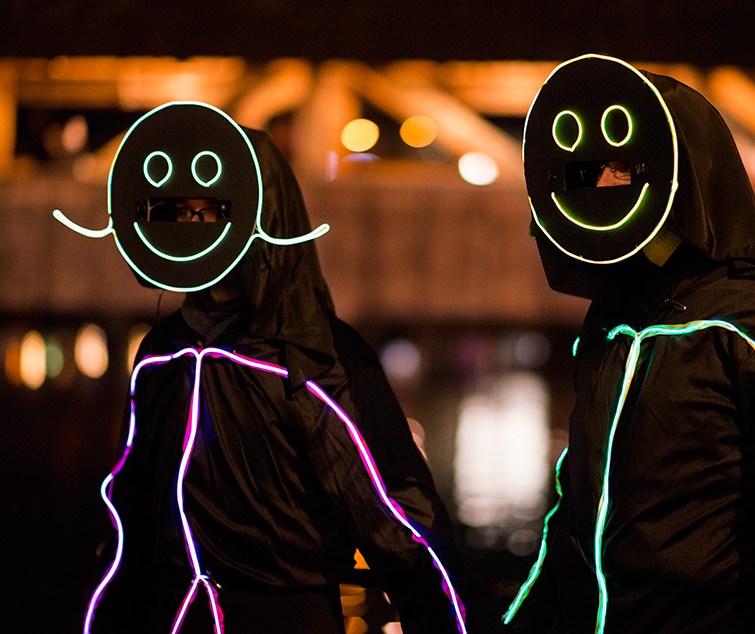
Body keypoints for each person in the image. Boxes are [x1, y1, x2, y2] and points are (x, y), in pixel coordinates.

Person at [59, 102, 467, 634]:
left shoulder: (315, 362)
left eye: (206, 209)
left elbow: (399, 527)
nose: (189, 223)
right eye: (178, 211)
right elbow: (128, 521)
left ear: (261, 214)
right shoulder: (161, 354)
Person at [503, 54, 755, 633]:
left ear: (685, 170)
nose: (596, 178)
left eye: (617, 167)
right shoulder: (610, 322)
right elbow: (573, 512)